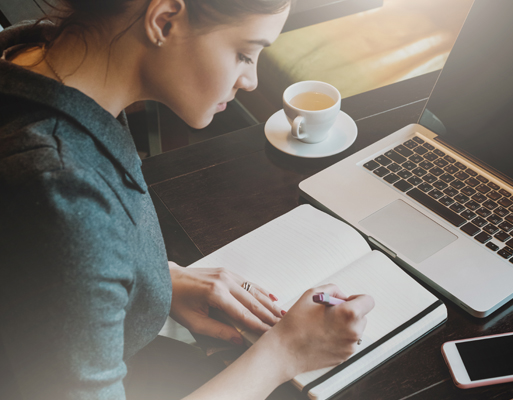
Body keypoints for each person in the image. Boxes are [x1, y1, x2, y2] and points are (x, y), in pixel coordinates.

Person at [0, 0, 374, 399]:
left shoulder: (32, 52)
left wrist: (146, 278)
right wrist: (283, 353)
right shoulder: (62, 192)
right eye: (244, 54)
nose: (251, 80)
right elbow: (65, 224)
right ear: (164, 20)